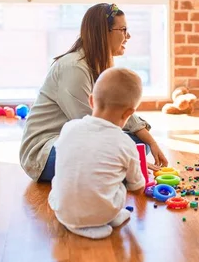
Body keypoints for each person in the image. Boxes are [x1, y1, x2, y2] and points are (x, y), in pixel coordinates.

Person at [19, 3, 168, 182]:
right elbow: (92, 126)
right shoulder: (73, 67)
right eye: (123, 29)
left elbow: (118, 110)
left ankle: (110, 170)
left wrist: (152, 142)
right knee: (129, 150)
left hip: (79, 141)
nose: (128, 36)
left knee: (140, 145)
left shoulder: (99, 65)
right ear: (103, 33)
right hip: (46, 152)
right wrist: (130, 159)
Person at [48, 67, 146, 239]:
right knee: (120, 181)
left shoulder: (69, 128)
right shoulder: (126, 143)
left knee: (60, 178)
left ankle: (76, 222)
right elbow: (138, 189)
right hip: (103, 213)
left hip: (62, 211)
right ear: (129, 113)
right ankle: (102, 218)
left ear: (91, 101)